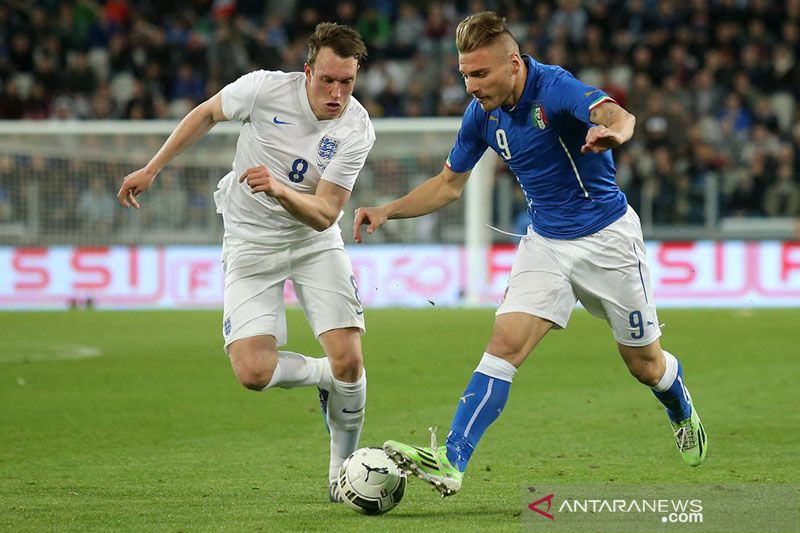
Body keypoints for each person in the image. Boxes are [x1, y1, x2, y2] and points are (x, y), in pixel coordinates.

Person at [354, 11, 706, 497]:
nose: (471, 86)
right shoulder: (481, 115)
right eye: (465, 75)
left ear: (514, 64)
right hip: (545, 244)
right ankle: (452, 459)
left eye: (481, 73)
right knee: (504, 344)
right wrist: (387, 210)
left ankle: (679, 403)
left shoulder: (555, 88)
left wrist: (614, 132)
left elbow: (617, 114)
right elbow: (449, 185)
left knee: (644, 365)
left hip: (608, 241)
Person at [117, 23, 374, 502]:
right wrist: (152, 168)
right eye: (327, 80)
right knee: (254, 373)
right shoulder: (263, 89)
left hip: (313, 243)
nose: (337, 94)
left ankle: (343, 472)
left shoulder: (356, 129)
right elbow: (206, 113)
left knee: (351, 360)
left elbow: (324, 214)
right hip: (250, 243)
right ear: (307, 72)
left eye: (347, 82)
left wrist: (278, 189)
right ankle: (323, 377)